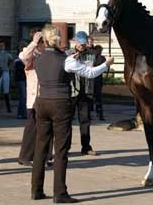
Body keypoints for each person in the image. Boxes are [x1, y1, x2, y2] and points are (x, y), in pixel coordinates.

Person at [31, 25, 113, 203]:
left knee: (40, 148)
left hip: (42, 101)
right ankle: (60, 193)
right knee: (61, 150)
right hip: (60, 103)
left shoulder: (38, 57)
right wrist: (105, 65)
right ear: (58, 40)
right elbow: (90, 73)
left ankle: (36, 190)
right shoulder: (65, 59)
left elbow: (35, 62)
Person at [18, 30, 53, 167]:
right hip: (34, 98)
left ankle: (46, 156)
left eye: (43, 41)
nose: (42, 44)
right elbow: (24, 56)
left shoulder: (47, 55)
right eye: (41, 42)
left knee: (48, 127)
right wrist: (33, 42)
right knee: (32, 128)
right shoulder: (30, 55)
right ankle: (25, 156)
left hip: (47, 96)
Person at [66, 31, 97, 156]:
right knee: (67, 121)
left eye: (84, 45)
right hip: (72, 91)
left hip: (86, 92)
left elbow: (93, 72)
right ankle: (65, 147)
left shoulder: (91, 55)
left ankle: (86, 147)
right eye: (80, 44)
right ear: (75, 42)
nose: (82, 46)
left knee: (85, 120)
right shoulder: (67, 54)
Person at [0, 41, 13, 113]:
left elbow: (11, 61)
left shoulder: (7, 54)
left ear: (5, 46)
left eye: (3, 45)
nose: (1, 46)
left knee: (6, 90)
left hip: (6, 72)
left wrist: (9, 67)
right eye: (0, 45)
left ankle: (8, 109)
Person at [14, 41, 27, 119]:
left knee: (23, 97)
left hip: (25, 78)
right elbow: (18, 68)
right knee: (23, 96)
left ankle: (20, 113)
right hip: (20, 79)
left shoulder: (25, 56)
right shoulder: (17, 58)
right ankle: (23, 113)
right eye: (22, 47)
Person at [93, 45, 106, 121]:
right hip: (94, 79)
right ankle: (97, 113)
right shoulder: (94, 57)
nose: (99, 52)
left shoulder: (102, 58)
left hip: (97, 79)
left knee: (98, 98)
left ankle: (100, 113)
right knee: (94, 98)